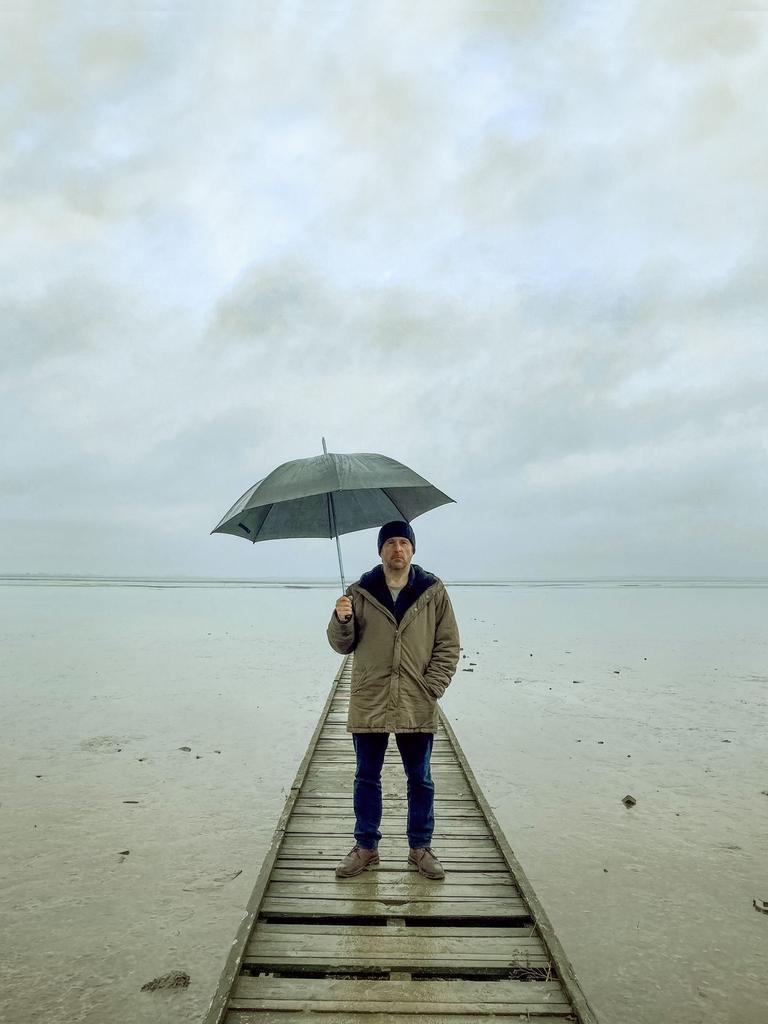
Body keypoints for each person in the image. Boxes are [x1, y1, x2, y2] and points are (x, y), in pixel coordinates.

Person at [326, 519, 460, 880]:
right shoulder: (358, 592)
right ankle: (366, 846)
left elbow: (449, 644)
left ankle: (420, 848)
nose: (397, 549)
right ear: (380, 550)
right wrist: (342, 619)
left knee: (421, 779)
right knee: (366, 776)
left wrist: (433, 686)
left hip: (416, 699)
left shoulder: (433, 591)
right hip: (370, 698)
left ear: (412, 549)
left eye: (403, 542)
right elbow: (342, 645)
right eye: (390, 543)